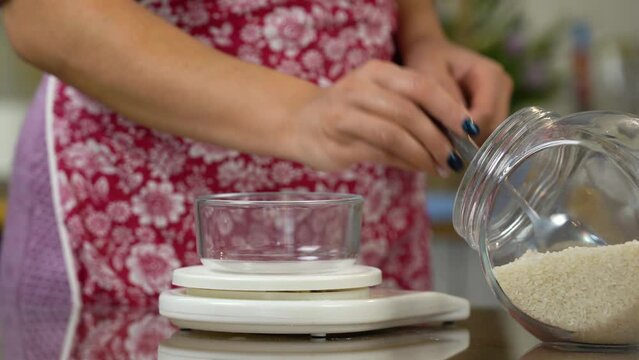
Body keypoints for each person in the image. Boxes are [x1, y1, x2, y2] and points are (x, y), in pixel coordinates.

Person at [0, 0, 512, 307]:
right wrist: (303, 112)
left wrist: (423, 38)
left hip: (365, 204)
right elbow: (42, 13)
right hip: (139, 210)